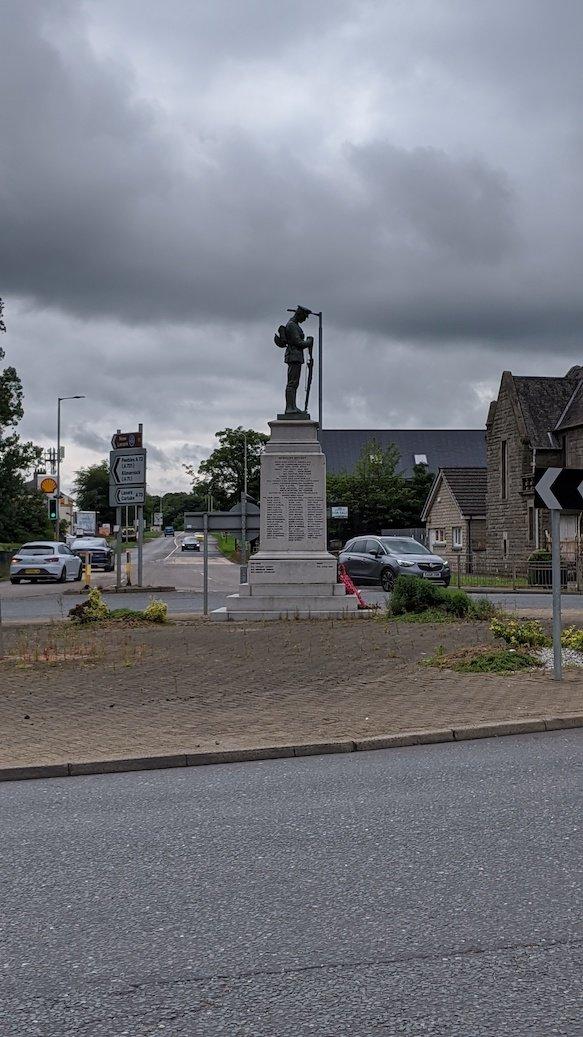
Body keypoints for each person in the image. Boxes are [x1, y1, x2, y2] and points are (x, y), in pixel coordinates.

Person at [276, 305, 313, 415]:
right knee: (292, 383)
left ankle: (293, 406)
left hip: (296, 357)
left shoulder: (294, 325)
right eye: (304, 317)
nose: (304, 320)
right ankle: (290, 407)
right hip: (294, 356)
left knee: (294, 383)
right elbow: (298, 342)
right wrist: (309, 342)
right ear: (299, 314)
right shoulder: (292, 325)